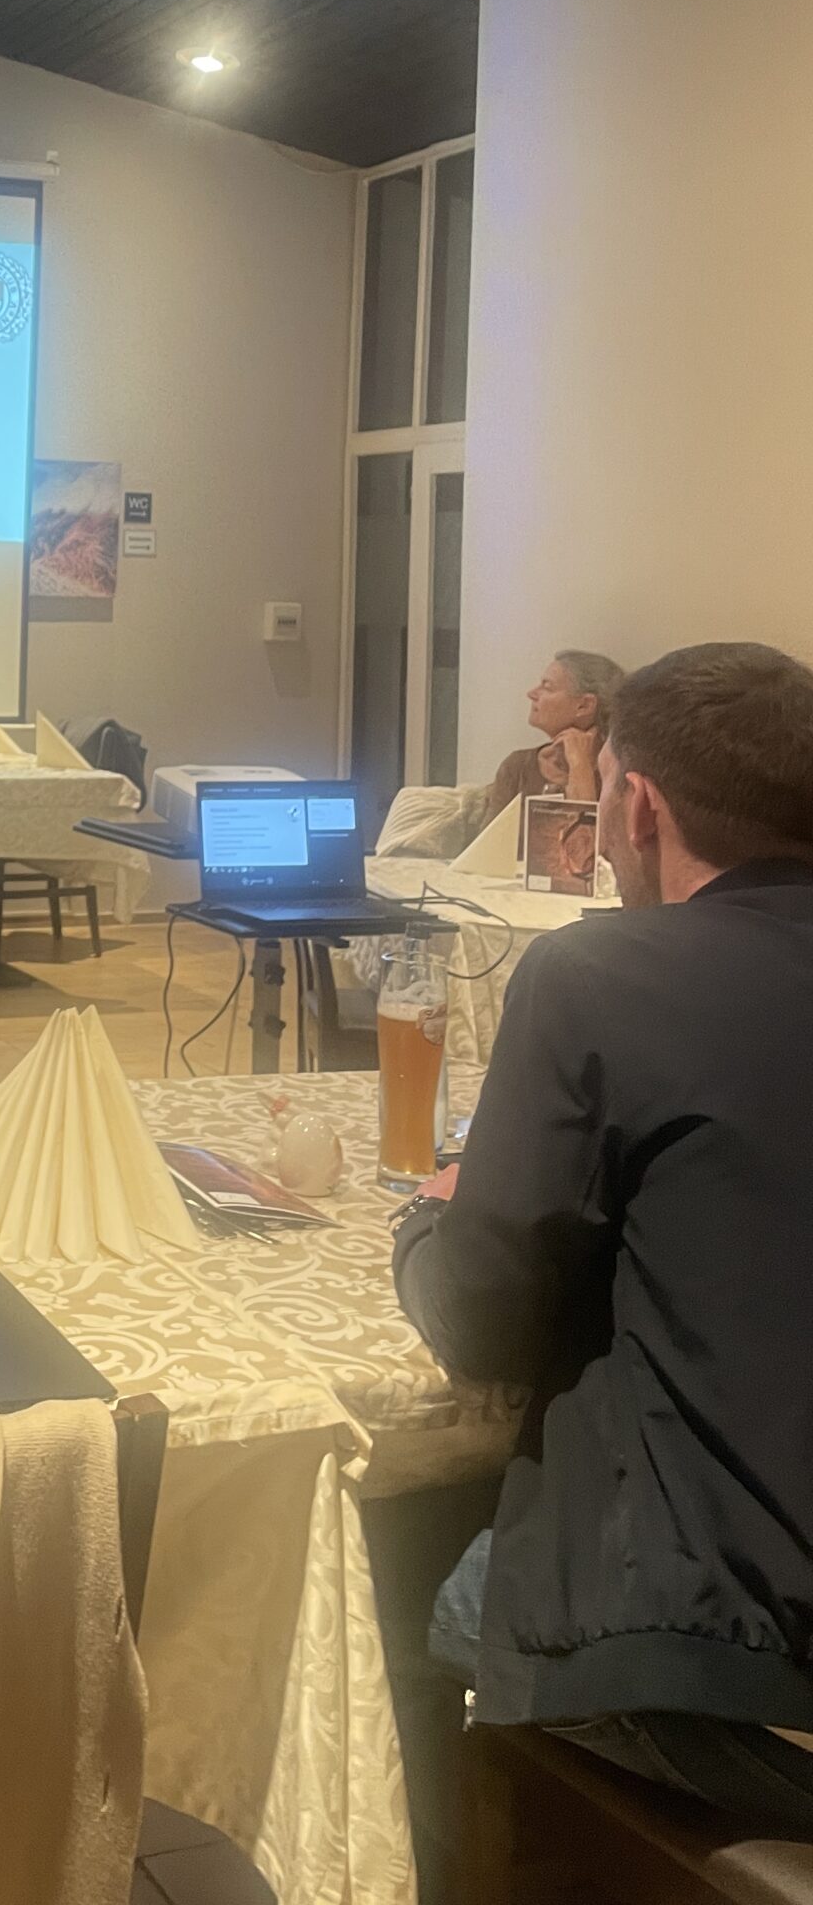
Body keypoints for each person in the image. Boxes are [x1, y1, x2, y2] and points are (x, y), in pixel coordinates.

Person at [394, 641, 813, 1831]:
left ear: (635, 807)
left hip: (734, 1671)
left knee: (392, 1568)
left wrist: (425, 1222)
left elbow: (484, 1321)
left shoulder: (599, 974)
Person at [479, 647, 626, 816]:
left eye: (547, 687)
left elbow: (587, 832)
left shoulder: (619, 771)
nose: (531, 694)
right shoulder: (517, 767)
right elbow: (492, 833)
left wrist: (579, 767)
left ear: (584, 705)